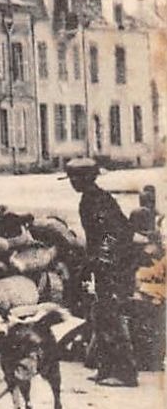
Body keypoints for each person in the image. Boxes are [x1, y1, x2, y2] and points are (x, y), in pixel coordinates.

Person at [71, 158, 141, 387]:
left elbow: (115, 232)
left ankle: (125, 372)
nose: (73, 182)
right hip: (105, 263)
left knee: (110, 314)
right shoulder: (90, 199)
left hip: (115, 264)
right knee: (101, 314)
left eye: (76, 178)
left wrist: (102, 255)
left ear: (87, 178)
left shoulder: (97, 201)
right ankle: (106, 368)